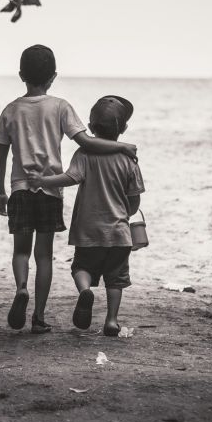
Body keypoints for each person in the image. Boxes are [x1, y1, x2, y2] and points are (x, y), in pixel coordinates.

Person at [0, 45, 137, 334]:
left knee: (21, 251)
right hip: (48, 193)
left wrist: (0, 192)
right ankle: (39, 317)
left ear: (21, 75)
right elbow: (87, 143)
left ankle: (21, 288)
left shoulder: (10, 109)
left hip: (21, 189)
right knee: (44, 255)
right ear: (53, 77)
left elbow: (0, 156)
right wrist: (121, 145)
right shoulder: (60, 107)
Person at [29, 95, 144, 336]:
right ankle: (111, 321)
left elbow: (70, 178)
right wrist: (128, 212)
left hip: (88, 230)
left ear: (90, 128)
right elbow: (134, 198)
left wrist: (43, 180)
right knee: (116, 279)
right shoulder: (128, 159)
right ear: (123, 129)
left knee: (81, 267)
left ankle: (85, 292)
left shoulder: (84, 153)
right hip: (119, 233)